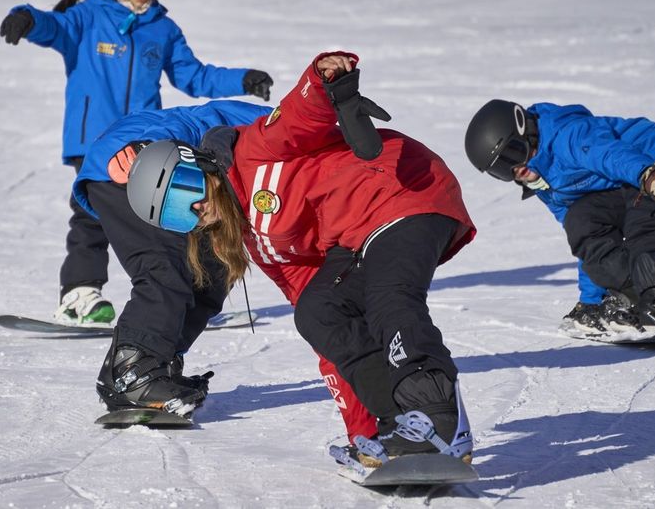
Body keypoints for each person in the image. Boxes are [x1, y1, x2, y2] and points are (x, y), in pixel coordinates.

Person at [120, 51, 477, 465]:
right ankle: (397, 425)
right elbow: (327, 336)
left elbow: (299, 116)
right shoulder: (260, 242)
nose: (195, 211)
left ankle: (437, 419)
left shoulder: (251, 151)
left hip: (403, 189)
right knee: (320, 312)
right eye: (177, 217)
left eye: (186, 191)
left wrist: (322, 76)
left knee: (389, 300)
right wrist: (363, 436)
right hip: (358, 236)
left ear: (198, 167)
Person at [0, 0, 274, 325]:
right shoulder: (86, 17)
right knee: (92, 214)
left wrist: (242, 79)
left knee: (173, 210)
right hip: (94, 140)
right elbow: (53, 27)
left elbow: (193, 76)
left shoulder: (161, 28)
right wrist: (28, 18)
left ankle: (191, 288)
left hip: (152, 142)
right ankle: (80, 294)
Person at [72, 99, 271, 413]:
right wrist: (150, 145)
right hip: (132, 164)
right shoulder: (272, 123)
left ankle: (157, 363)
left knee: (217, 271)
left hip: (189, 187)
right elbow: (194, 121)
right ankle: (132, 370)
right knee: (164, 265)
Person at [464, 99, 655, 334]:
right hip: (625, 184)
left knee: (645, 221)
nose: (516, 168)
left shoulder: (568, 135)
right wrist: (592, 301)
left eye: (513, 152)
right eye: (502, 169)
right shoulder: (542, 183)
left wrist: (648, 175)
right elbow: (588, 240)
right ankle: (633, 296)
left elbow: (610, 155)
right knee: (580, 221)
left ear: (526, 129)